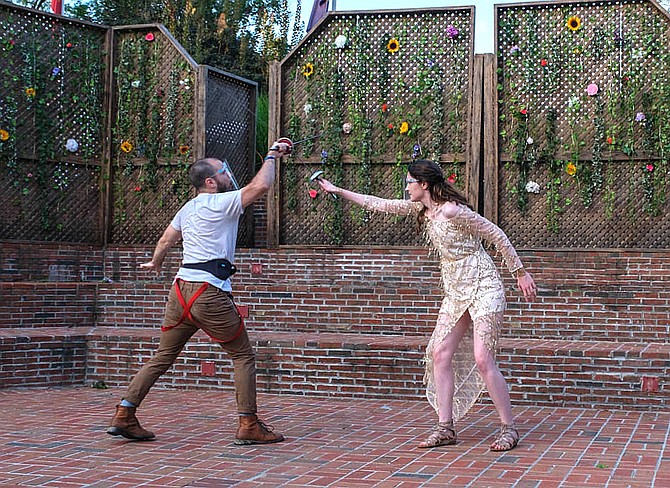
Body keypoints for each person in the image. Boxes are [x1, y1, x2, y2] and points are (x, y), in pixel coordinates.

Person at [317, 159, 536, 451]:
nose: (406, 187)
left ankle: (509, 428)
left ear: (424, 184)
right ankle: (446, 428)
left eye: (409, 181)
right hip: (456, 290)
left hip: (484, 285)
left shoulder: (452, 211)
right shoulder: (422, 209)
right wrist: (337, 190)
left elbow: (495, 234)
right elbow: (378, 204)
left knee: (483, 359)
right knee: (440, 353)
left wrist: (519, 272)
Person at [107, 140, 291, 445]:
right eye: (223, 171)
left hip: (180, 293)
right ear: (210, 181)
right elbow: (260, 187)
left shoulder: (188, 208)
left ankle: (124, 414)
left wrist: (155, 262)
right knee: (243, 355)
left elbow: (166, 240)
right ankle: (249, 425)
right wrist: (272, 155)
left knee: (163, 356)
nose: (228, 174)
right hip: (209, 293)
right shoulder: (221, 202)